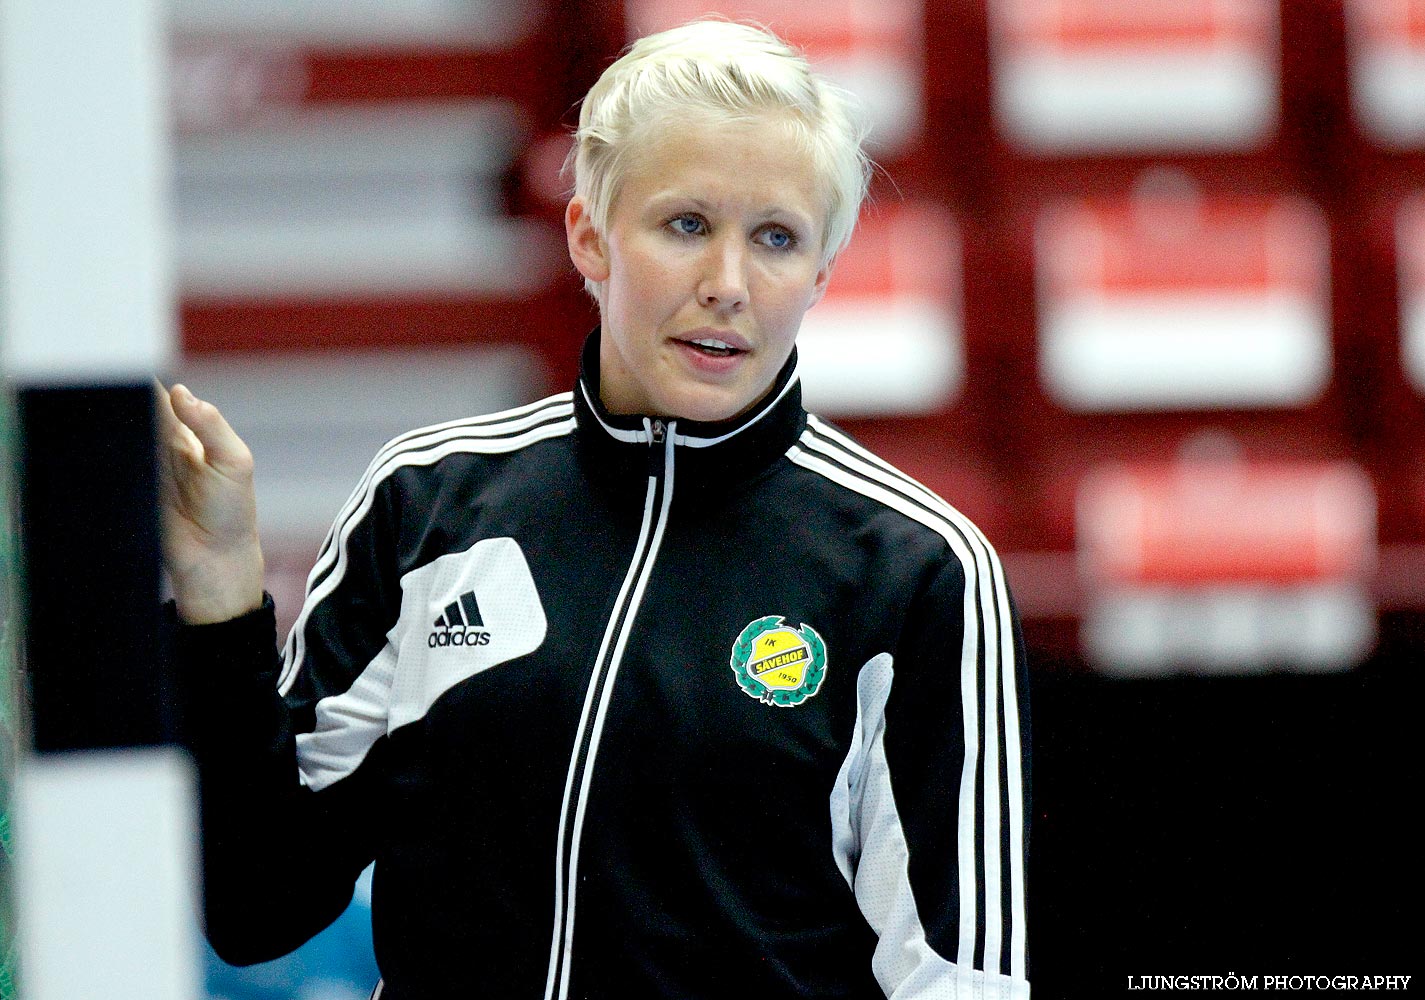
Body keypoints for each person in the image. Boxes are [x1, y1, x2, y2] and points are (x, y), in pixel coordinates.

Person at [161, 19, 1031, 1000]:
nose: (729, 286)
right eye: (687, 225)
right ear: (589, 237)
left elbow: (960, 982)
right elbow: (257, 902)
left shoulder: (914, 570)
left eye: (777, 238)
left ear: (822, 273)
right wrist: (220, 594)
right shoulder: (426, 504)